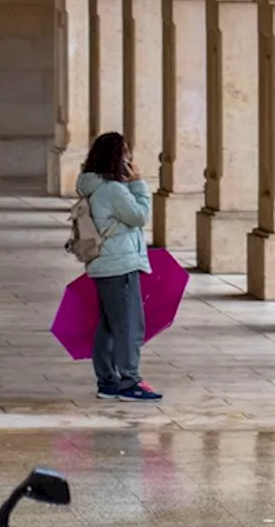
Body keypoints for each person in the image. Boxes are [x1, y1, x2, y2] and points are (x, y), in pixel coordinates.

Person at [77, 132, 162, 403]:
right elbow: (139, 216)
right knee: (129, 325)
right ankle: (129, 380)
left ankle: (108, 380)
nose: (129, 159)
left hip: (105, 264)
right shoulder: (113, 190)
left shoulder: (93, 185)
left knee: (109, 325)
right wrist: (138, 184)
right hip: (119, 265)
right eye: (126, 154)